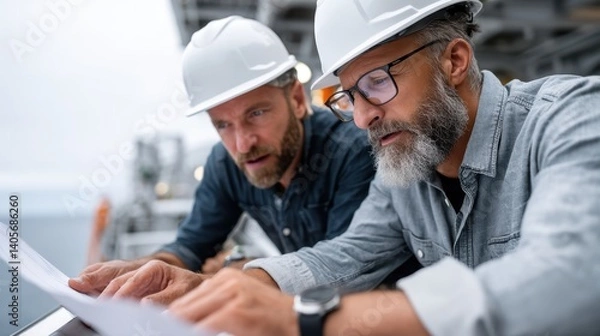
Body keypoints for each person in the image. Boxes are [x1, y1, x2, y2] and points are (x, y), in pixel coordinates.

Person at [87, 1, 600, 335]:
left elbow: (573, 275)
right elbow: (344, 256)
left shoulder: (571, 119)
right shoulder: (405, 169)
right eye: (349, 96)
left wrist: (305, 320)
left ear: (454, 60)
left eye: (377, 82)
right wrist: (210, 288)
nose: (361, 117)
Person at [68, 16, 376, 300]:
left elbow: (345, 271)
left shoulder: (352, 151)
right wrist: (144, 269)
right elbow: (190, 246)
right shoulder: (225, 164)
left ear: (296, 99)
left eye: (256, 113)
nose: (242, 144)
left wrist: (229, 276)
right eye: (223, 125)